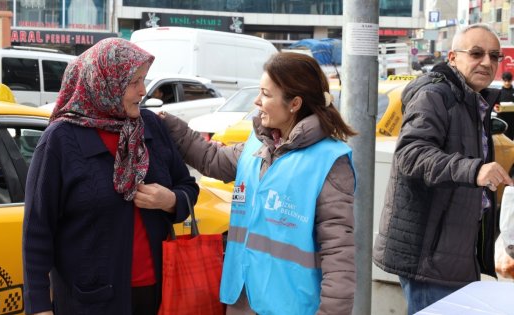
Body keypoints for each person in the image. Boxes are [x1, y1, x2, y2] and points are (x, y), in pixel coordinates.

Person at [160, 52, 356, 315]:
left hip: (289, 305)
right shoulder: (259, 144)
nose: (257, 101)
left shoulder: (329, 160)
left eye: (265, 93)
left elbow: (339, 254)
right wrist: (168, 125)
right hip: (242, 297)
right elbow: (213, 159)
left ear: (294, 103)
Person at [22, 38, 199, 315]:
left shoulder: (150, 127)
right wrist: (39, 307)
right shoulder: (60, 140)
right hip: (89, 301)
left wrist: (170, 200)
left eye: (144, 80)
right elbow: (37, 230)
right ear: (104, 82)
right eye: (134, 82)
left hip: (157, 295)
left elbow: (187, 186)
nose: (143, 91)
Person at [373, 23, 514, 315]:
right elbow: (411, 155)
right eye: (476, 53)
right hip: (430, 255)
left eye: (494, 56)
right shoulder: (436, 94)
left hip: (452, 253)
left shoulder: (475, 99)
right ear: (453, 57)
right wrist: (474, 171)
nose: (487, 62)